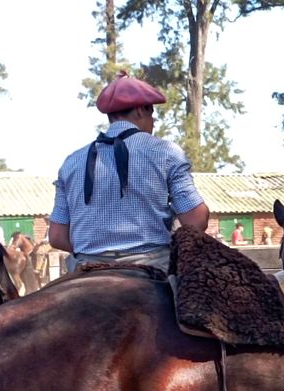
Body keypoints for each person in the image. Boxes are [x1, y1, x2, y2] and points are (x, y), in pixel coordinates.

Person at [49, 72, 210, 272]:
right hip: (153, 263)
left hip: (86, 266)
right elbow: (196, 219)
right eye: (151, 113)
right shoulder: (166, 153)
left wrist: (96, 252)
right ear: (140, 111)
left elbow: (57, 236)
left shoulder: (71, 162)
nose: (153, 121)